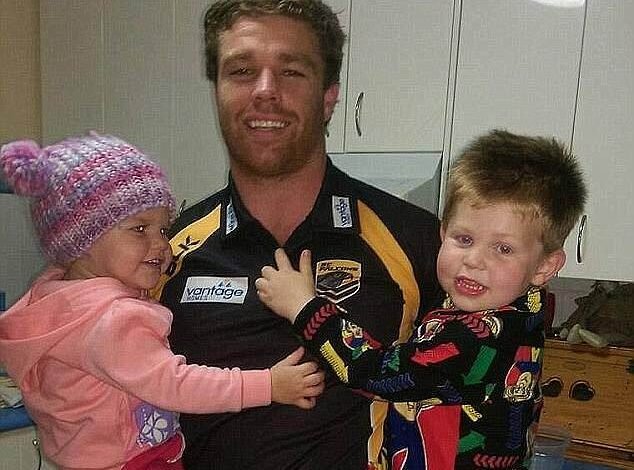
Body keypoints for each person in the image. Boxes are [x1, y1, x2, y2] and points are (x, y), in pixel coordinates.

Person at [154, 0, 443, 468]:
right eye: (242, 71)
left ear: (328, 97)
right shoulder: (166, 252)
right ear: (218, 92)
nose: (265, 91)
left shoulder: (415, 240)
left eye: (291, 72)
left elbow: (478, 395)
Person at [256, 129, 588, 469]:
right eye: (464, 239)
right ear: (443, 233)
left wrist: (305, 307)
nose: (474, 260)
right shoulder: (516, 310)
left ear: (544, 266)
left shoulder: (480, 337)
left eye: (503, 249)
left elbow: (372, 372)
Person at [0, 133, 324, 470]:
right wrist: (268, 385)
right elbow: (178, 385)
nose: (161, 245)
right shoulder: (113, 320)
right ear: (83, 240)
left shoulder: (56, 296)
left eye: (163, 230)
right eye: (140, 229)